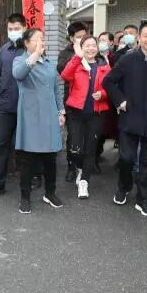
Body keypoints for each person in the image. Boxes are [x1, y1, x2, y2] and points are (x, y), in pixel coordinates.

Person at [103, 20, 147, 217]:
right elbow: (109, 81)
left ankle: (143, 199)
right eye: (146, 35)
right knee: (126, 158)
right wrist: (120, 101)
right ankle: (124, 186)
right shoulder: (128, 60)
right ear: (139, 38)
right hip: (130, 118)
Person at [13, 28, 64, 214]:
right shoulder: (21, 60)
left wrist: (61, 111)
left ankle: (50, 193)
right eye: (36, 39)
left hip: (49, 115)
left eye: (42, 38)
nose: (41, 42)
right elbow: (18, 74)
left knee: (50, 158)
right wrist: (34, 55)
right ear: (26, 43)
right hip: (31, 116)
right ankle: (25, 197)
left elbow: (56, 89)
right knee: (28, 160)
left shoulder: (49, 63)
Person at [60, 34, 110, 199]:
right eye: (86, 45)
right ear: (81, 48)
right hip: (76, 113)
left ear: (97, 48)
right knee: (75, 149)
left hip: (96, 114)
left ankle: (84, 182)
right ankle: (80, 168)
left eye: (93, 45)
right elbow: (65, 76)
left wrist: (102, 94)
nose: (90, 48)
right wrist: (77, 57)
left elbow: (110, 87)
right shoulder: (76, 64)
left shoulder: (104, 66)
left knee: (90, 148)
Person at [0, 14, 27, 199]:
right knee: (1, 144)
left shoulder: (30, 48)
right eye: (10, 29)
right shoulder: (3, 50)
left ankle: (32, 177)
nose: (13, 32)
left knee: (27, 144)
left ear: (24, 28)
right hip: (6, 105)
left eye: (17, 28)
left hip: (26, 106)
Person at [57, 21, 89, 184]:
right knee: (73, 136)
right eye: (79, 37)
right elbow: (62, 70)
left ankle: (88, 164)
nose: (82, 39)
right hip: (72, 101)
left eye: (85, 35)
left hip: (90, 100)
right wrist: (77, 57)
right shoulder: (65, 53)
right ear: (71, 38)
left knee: (88, 135)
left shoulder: (91, 49)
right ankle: (71, 167)